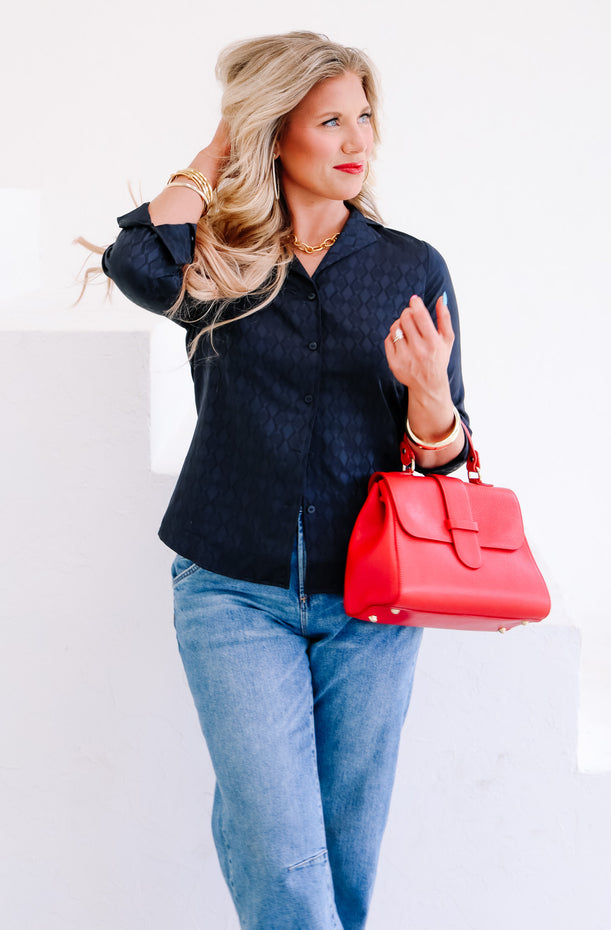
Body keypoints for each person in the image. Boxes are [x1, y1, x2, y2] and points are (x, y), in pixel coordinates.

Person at [101, 31, 470, 930]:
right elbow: (133, 260)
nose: (357, 140)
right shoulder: (220, 259)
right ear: (276, 134)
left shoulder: (409, 266)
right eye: (330, 121)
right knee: (279, 851)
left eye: (364, 118)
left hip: (372, 601)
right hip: (231, 587)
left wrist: (429, 394)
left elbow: (446, 457)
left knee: (342, 856)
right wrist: (213, 154)